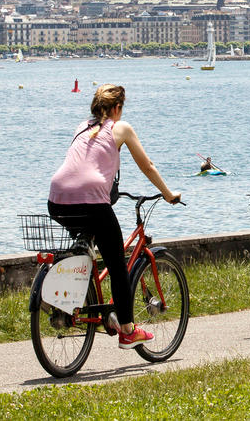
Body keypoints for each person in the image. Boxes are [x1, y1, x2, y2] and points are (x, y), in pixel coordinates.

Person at [48, 84, 181, 348]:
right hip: (92, 203)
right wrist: (167, 194)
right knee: (118, 266)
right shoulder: (120, 128)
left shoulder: (82, 126)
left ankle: (98, 308)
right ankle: (128, 331)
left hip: (57, 201)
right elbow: (147, 166)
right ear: (117, 108)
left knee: (89, 244)